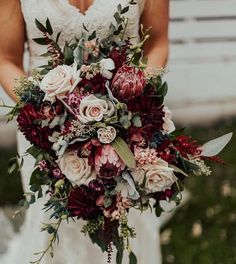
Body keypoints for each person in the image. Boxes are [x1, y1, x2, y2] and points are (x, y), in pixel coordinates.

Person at [0, 0, 169, 263]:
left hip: (127, 128)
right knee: (53, 220)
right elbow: (6, 60)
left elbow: (157, 43)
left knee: (124, 216)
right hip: (47, 132)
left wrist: (130, 101)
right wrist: (45, 111)